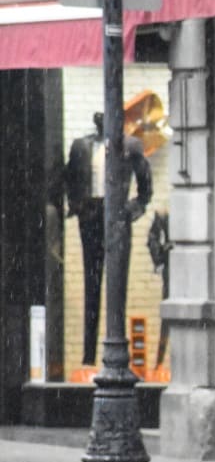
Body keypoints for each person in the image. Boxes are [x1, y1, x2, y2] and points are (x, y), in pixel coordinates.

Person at [65, 112, 153, 370]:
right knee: (91, 283)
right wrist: (77, 205)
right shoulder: (82, 146)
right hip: (91, 214)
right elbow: (70, 178)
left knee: (117, 284)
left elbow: (145, 186)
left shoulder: (131, 146)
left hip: (117, 217)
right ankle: (88, 355)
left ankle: (118, 351)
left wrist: (132, 209)